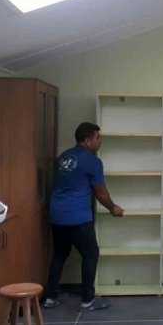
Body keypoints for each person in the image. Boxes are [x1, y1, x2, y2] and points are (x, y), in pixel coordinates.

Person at [44, 122, 124, 311]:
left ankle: (51, 297)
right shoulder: (92, 161)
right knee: (90, 254)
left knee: (59, 254)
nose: (100, 141)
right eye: (97, 138)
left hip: (57, 214)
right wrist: (113, 208)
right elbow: (101, 193)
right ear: (88, 141)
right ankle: (88, 300)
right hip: (78, 216)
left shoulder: (64, 157)